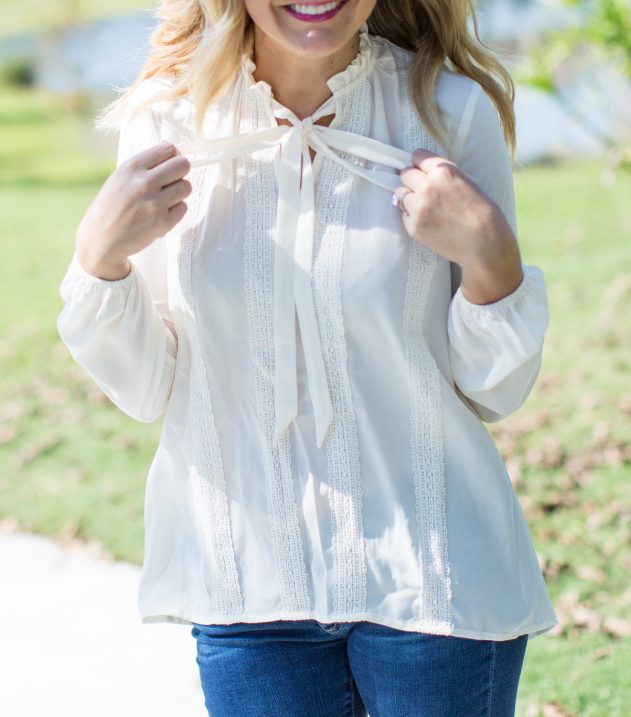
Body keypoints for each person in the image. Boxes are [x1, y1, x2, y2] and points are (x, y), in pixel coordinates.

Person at [57, 0, 559, 715]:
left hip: (433, 584)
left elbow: (492, 388)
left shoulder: (448, 110)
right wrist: (99, 258)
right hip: (247, 592)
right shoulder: (166, 123)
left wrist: (491, 257)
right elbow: (148, 388)